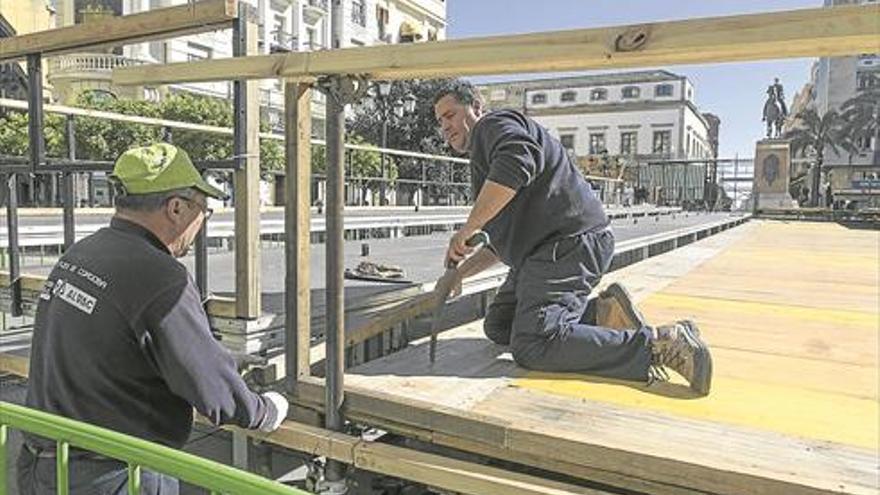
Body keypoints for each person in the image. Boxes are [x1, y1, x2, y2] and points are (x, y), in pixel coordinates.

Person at [18, 143, 289, 495]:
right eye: (203, 211)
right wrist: (263, 411)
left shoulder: (83, 253)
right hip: (114, 474)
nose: (201, 224)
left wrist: (216, 359)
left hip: (42, 464)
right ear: (175, 208)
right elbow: (213, 394)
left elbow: (109, 345)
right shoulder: (161, 276)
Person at [432, 80, 712, 395]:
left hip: (568, 243)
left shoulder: (492, 126)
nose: (445, 126)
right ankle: (602, 314)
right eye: (440, 120)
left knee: (534, 344)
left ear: (477, 108)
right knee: (500, 325)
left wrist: (469, 228)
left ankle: (661, 344)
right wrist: (459, 274)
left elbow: (517, 161)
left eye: (451, 115)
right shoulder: (487, 153)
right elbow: (501, 240)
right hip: (547, 250)